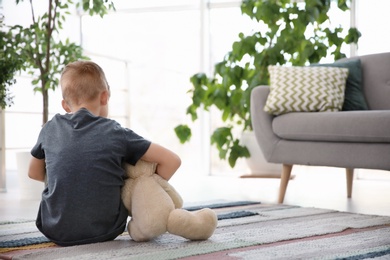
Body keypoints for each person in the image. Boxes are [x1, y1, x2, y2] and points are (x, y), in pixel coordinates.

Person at [28, 60, 181, 246]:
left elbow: (34, 173)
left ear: (65, 105)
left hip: (55, 230)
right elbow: (172, 161)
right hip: (107, 230)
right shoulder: (116, 132)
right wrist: (139, 186)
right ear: (105, 97)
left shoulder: (50, 128)